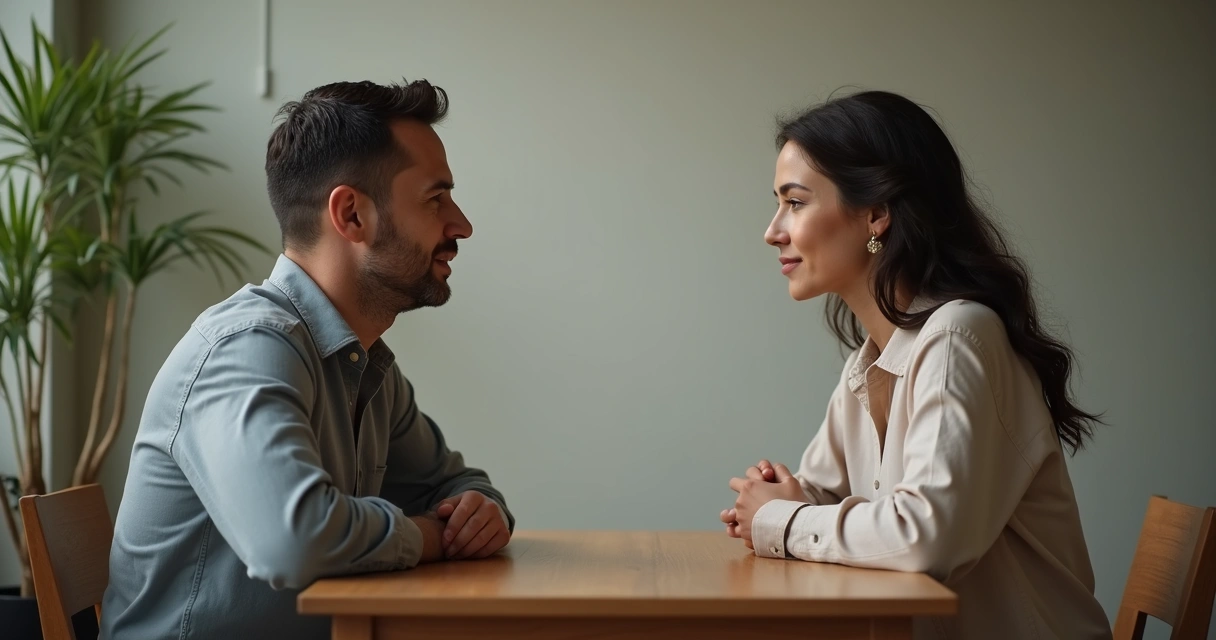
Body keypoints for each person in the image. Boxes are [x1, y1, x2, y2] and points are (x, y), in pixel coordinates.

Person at [101, 79, 512, 640]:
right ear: (351, 216)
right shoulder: (248, 348)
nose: (460, 224)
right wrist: (434, 536)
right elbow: (290, 541)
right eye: (434, 198)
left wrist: (479, 511)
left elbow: (450, 483)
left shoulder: (365, 366)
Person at [720, 90, 1112, 639]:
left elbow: (924, 540)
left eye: (796, 202)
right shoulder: (873, 359)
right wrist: (780, 498)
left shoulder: (958, 335)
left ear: (877, 214)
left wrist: (780, 520)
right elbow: (821, 495)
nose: (773, 230)